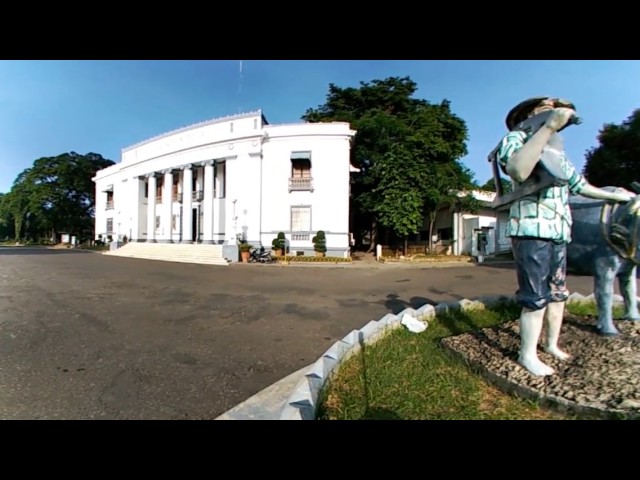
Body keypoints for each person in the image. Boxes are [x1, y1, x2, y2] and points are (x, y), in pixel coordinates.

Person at [497, 96, 636, 376]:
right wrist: (547, 129)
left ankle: (551, 344)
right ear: (529, 117)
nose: (555, 117)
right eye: (545, 112)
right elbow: (518, 170)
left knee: (558, 294)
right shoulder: (516, 140)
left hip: (559, 231)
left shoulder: (557, 154)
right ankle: (527, 354)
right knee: (535, 297)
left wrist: (614, 195)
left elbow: (580, 185)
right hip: (531, 230)